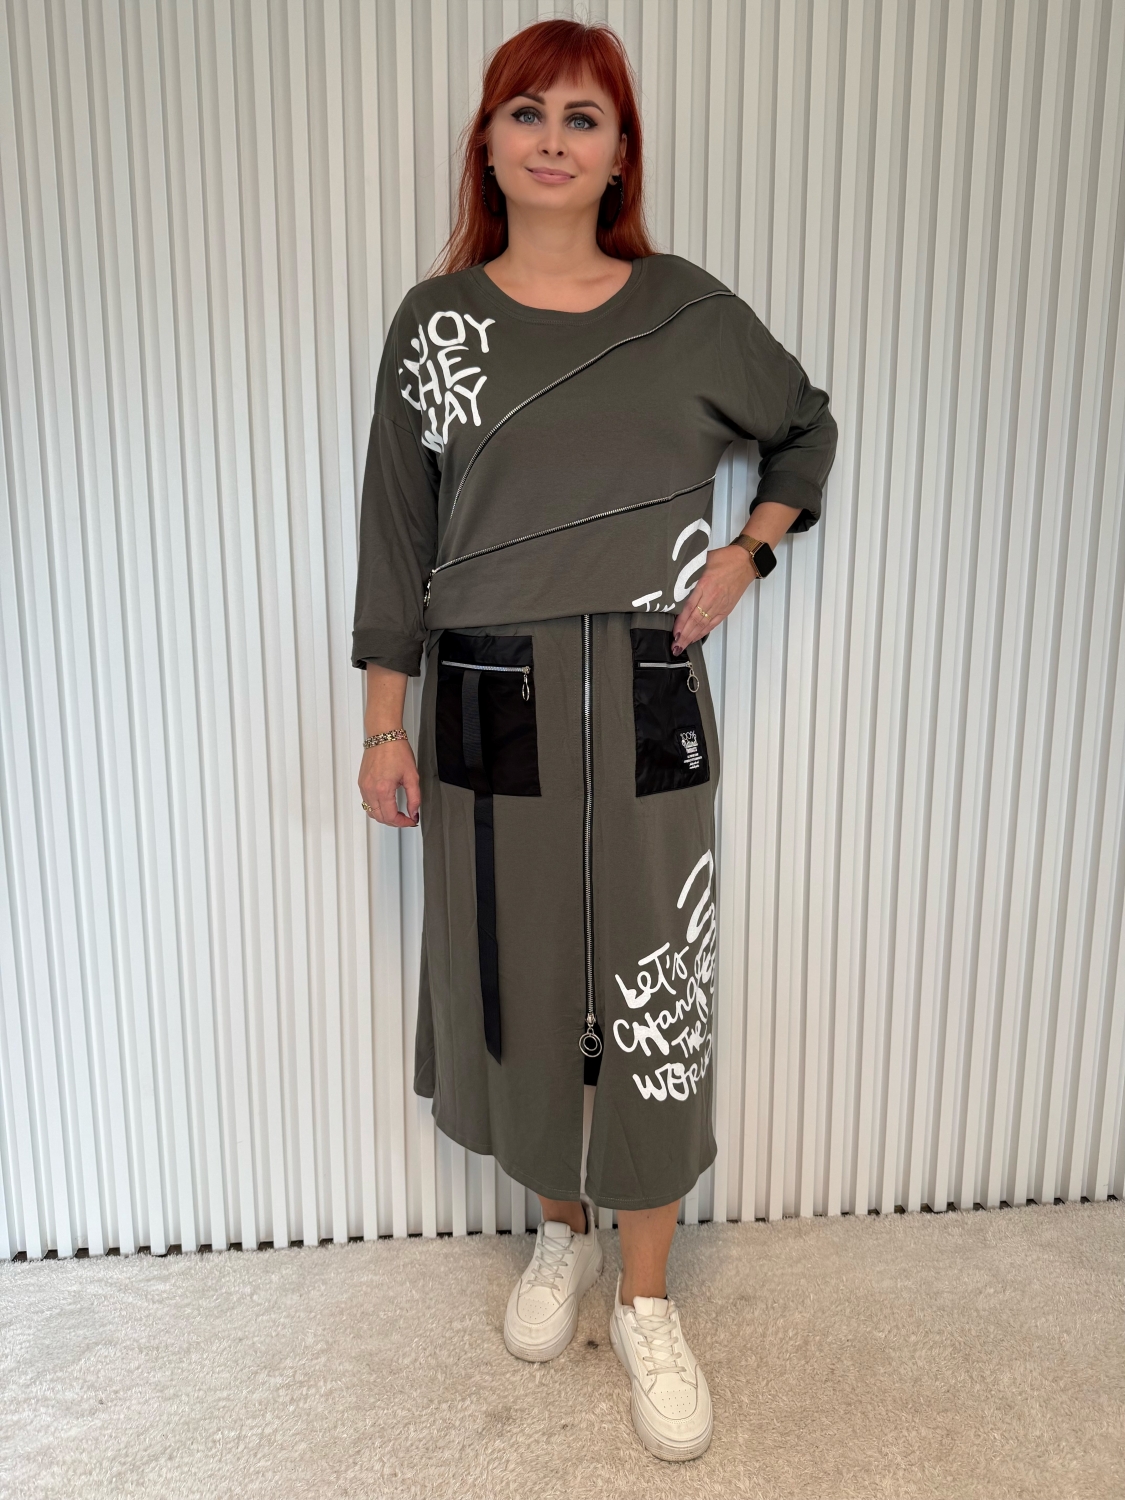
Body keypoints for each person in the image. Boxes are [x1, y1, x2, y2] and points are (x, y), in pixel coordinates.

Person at [352, 17, 837, 1464]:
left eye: (584, 117)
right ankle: (553, 1229)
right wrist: (382, 724)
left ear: (621, 152)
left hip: (642, 693)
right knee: (520, 976)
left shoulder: (685, 312)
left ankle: (644, 1294)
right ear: (488, 142)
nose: (553, 139)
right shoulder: (436, 325)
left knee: (649, 980)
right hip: (481, 699)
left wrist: (747, 553)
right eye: (528, 112)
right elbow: (395, 538)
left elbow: (803, 429)